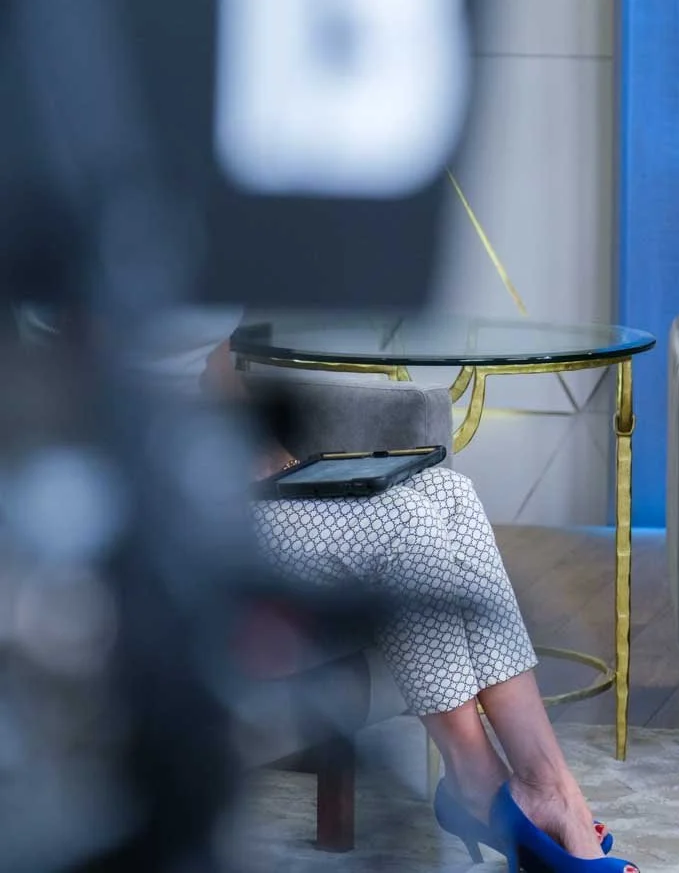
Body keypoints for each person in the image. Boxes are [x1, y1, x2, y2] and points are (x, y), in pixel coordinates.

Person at [89, 302, 641, 872]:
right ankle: (475, 780)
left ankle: (548, 785)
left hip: (222, 487)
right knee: (405, 525)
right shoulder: (80, 264)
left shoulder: (194, 253)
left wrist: (263, 451)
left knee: (450, 494)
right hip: (156, 515)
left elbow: (207, 362)